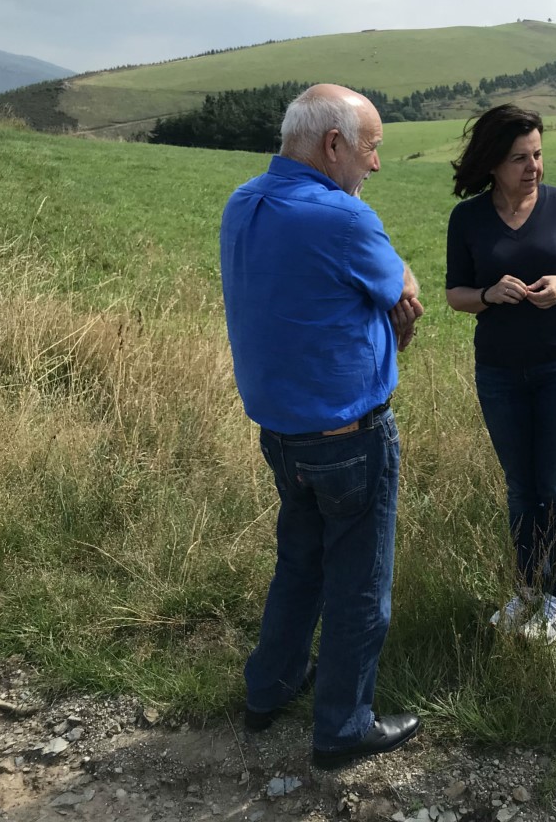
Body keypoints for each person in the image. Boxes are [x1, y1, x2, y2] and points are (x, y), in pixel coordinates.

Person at [219, 83, 424, 771]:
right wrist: (394, 294)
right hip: (349, 436)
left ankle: (268, 688)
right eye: (371, 150)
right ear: (333, 145)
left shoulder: (243, 201)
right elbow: (405, 294)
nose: (374, 165)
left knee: (300, 563)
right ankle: (343, 726)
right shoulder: (342, 219)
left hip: (280, 433)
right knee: (360, 581)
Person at [445, 104, 556, 643]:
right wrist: (489, 295)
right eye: (519, 158)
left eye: (537, 154)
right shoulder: (467, 219)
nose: (533, 166)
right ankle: (527, 590)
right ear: (493, 163)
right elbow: (455, 295)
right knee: (521, 487)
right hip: (499, 372)